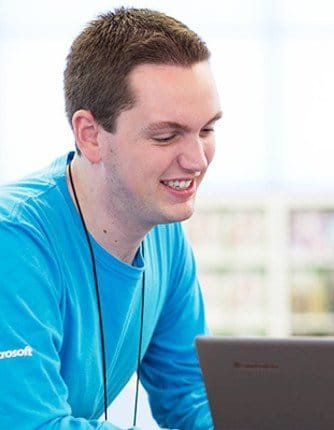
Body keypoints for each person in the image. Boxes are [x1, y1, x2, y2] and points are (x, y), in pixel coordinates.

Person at [0, 7, 221, 429]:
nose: (197, 161)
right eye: (166, 135)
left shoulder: (164, 237)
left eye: (207, 130)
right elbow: (33, 426)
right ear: (90, 135)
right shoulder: (13, 242)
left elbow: (190, 395)